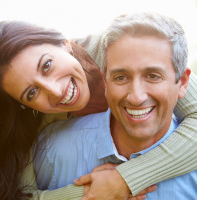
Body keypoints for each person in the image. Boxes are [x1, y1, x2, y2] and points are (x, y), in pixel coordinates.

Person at [0, 18, 197, 200]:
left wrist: (125, 180)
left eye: (47, 65)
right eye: (32, 93)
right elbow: (23, 195)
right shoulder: (38, 128)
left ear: (64, 43)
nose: (55, 90)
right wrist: (88, 194)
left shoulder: (122, 46)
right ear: (23, 105)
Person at [34, 12, 196, 199]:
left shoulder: (94, 48)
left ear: (183, 83)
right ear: (105, 82)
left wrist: (126, 179)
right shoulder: (50, 151)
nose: (136, 97)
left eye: (153, 76)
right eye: (121, 77)